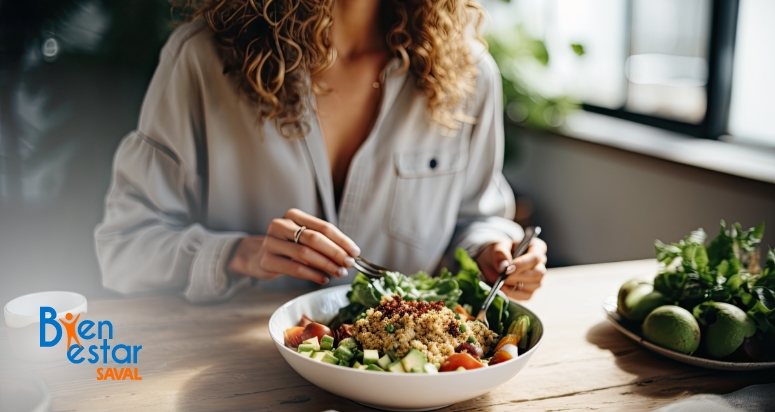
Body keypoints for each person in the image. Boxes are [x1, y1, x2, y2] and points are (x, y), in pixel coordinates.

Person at [94, 0, 547, 303]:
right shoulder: (203, 59)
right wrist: (239, 254)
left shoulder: (467, 74)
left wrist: (492, 250)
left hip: (411, 384)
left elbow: (474, 218)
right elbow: (125, 248)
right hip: (234, 378)